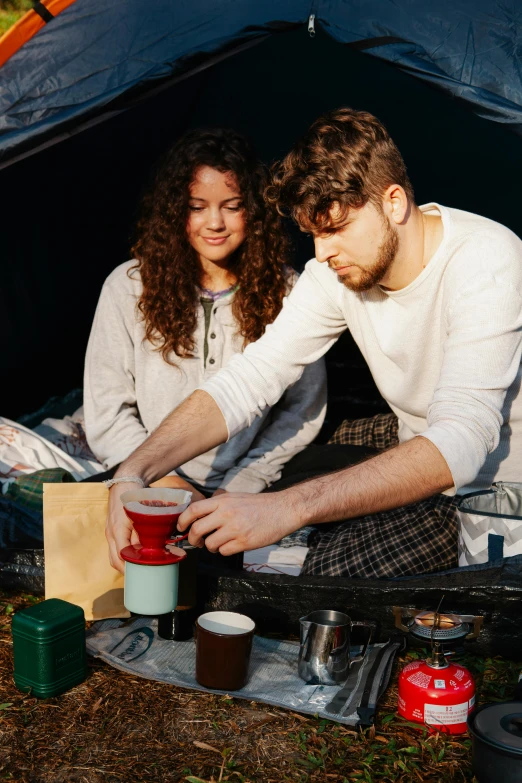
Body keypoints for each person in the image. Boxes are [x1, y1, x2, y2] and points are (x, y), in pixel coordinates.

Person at [105, 108, 522, 579]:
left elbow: (462, 440)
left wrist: (289, 508)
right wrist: (132, 473)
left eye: (336, 229)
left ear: (394, 202)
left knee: (315, 571)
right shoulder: (334, 272)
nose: (322, 253)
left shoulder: (486, 259)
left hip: (493, 487)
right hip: (414, 433)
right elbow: (252, 377)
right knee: (309, 464)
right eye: (314, 234)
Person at [84, 128, 326, 514]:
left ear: (255, 209)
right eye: (197, 207)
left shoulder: (288, 290)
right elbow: (107, 413)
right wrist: (166, 481)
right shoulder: (127, 287)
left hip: (249, 485)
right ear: (174, 210)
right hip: (149, 478)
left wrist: (243, 485)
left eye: (231, 206)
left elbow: (302, 410)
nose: (214, 222)